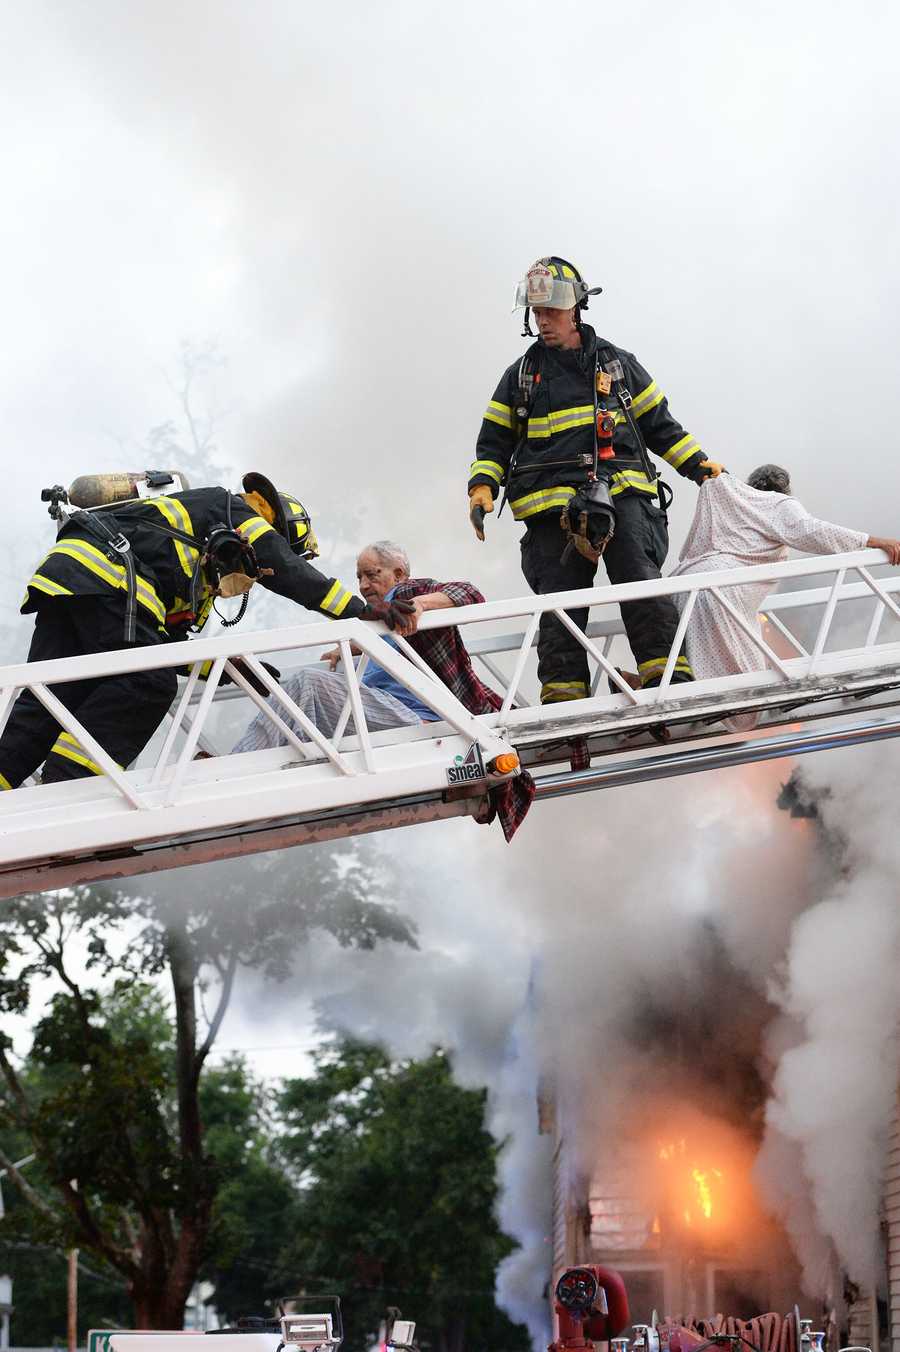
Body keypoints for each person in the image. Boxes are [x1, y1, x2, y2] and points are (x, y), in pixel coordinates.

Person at [0, 473, 413, 789]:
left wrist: (227, 666)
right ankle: (67, 785)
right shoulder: (232, 509)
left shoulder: (190, 557)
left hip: (67, 577)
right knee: (147, 682)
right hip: (110, 572)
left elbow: (164, 644)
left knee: (49, 695)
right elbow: (288, 572)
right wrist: (359, 611)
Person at [468, 255, 723, 705]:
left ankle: (668, 676)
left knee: (638, 577)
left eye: (551, 311)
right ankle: (564, 696)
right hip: (551, 512)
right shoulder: (520, 379)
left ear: (576, 309)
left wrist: (701, 468)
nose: (543, 321)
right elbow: (493, 443)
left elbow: (661, 427)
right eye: (537, 312)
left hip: (621, 493)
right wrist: (483, 488)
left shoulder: (619, 366)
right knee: (559, 602)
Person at [233, 539, 535, 841]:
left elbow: (470, 592)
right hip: (383, 720)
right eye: (359, 578)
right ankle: (254, 771)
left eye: (372, 574)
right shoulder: (376, 624)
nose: (363, 586)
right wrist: (354, 646)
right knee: (302, 714)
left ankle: (237, 769)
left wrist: (421, 605)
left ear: (399, 573)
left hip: (419, 724)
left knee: (306, 684)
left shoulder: (405, 594)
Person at [671, 464, 900, 728]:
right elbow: (812, 531)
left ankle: (644, 682)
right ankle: (732, 710)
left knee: (680, 660)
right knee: (746, 681)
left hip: (684, 584)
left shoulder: (730, 497)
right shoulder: (778, 504)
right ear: (784, 488)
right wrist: (873, 541)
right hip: (722, 589)